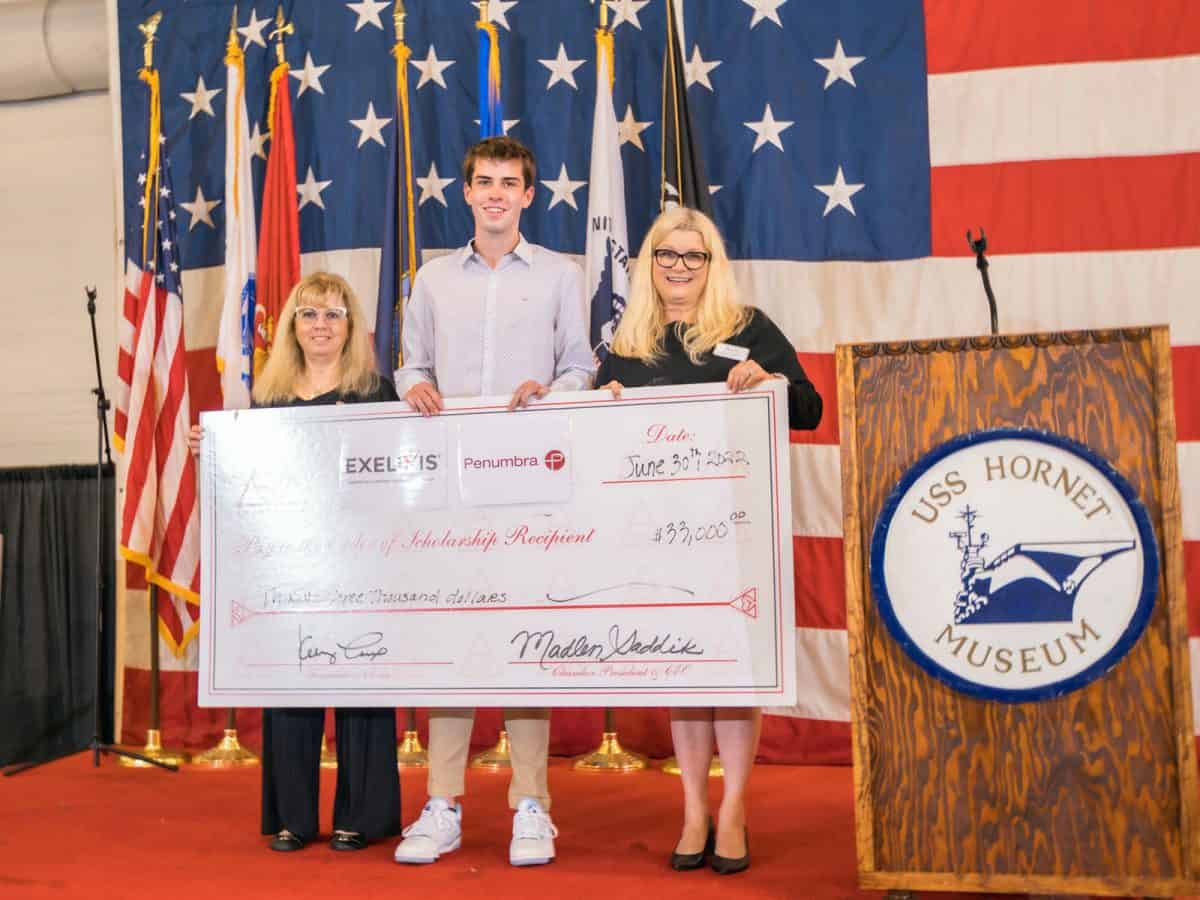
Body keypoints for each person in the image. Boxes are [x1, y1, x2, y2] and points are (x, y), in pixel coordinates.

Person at [596, 207, 823, 875]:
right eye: (667, 254)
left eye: (693, 256)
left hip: (734, 528)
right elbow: (590, 436)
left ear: (711, 264)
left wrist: (771, 380)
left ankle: (734, 808)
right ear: (649, 262)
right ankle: (695, 806)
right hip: (657, 536)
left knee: (734, 673)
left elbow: (808, 407)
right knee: (686, 670)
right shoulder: (629, 341)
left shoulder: (746, 327)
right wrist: (600, 401)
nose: (679, 267)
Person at [391, 135, 594, 868]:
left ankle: (531, 804)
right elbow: (410, 362)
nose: (497, 193)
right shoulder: (434, 279)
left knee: (524, 644)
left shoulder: (561, 276)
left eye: (511, 182)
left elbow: (580, 365)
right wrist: (410, 384)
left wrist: (554, 390)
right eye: (485, 182)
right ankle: (442, 803)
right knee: (454, 644)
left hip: (530, 486)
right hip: (450, 488)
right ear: (467, 193)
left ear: (529, 195)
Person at [189, 272, 401, 853]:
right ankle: (293, 818)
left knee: (360, 688)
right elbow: (250, 487)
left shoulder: (378, 394)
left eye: (333, 314)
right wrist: (213, 452)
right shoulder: (269, 400)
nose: (320, 326)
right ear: (290, 328)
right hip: (289, 567)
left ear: (351, 326)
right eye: (308, 315)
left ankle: (363, 815)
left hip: (359, 564)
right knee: (290, 686)